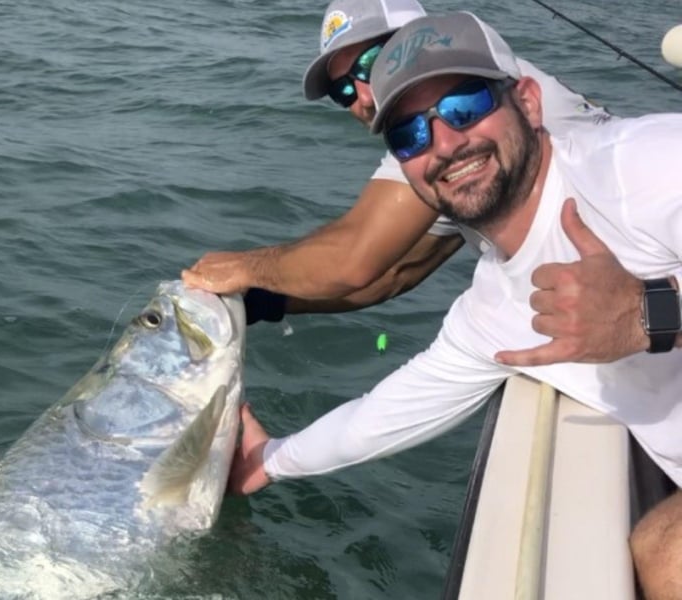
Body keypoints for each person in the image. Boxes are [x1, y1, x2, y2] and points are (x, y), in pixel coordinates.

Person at [227, 12, 682, 599]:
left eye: (464, 105)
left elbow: (356, 262)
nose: (443, 143)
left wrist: (650, 314)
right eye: (409, 134)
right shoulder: (490, 309)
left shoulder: (642, 165)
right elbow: (384, 413)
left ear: (529, 101)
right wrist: (268, 460)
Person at [182, 0, 616, 364]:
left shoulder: (464, 117)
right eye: (343, 92)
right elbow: (397, 271)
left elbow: (353, 258)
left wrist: (243, 268)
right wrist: (262, 299)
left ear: (420, 35)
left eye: (371, 64)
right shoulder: (451, 143)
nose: (362, 99)